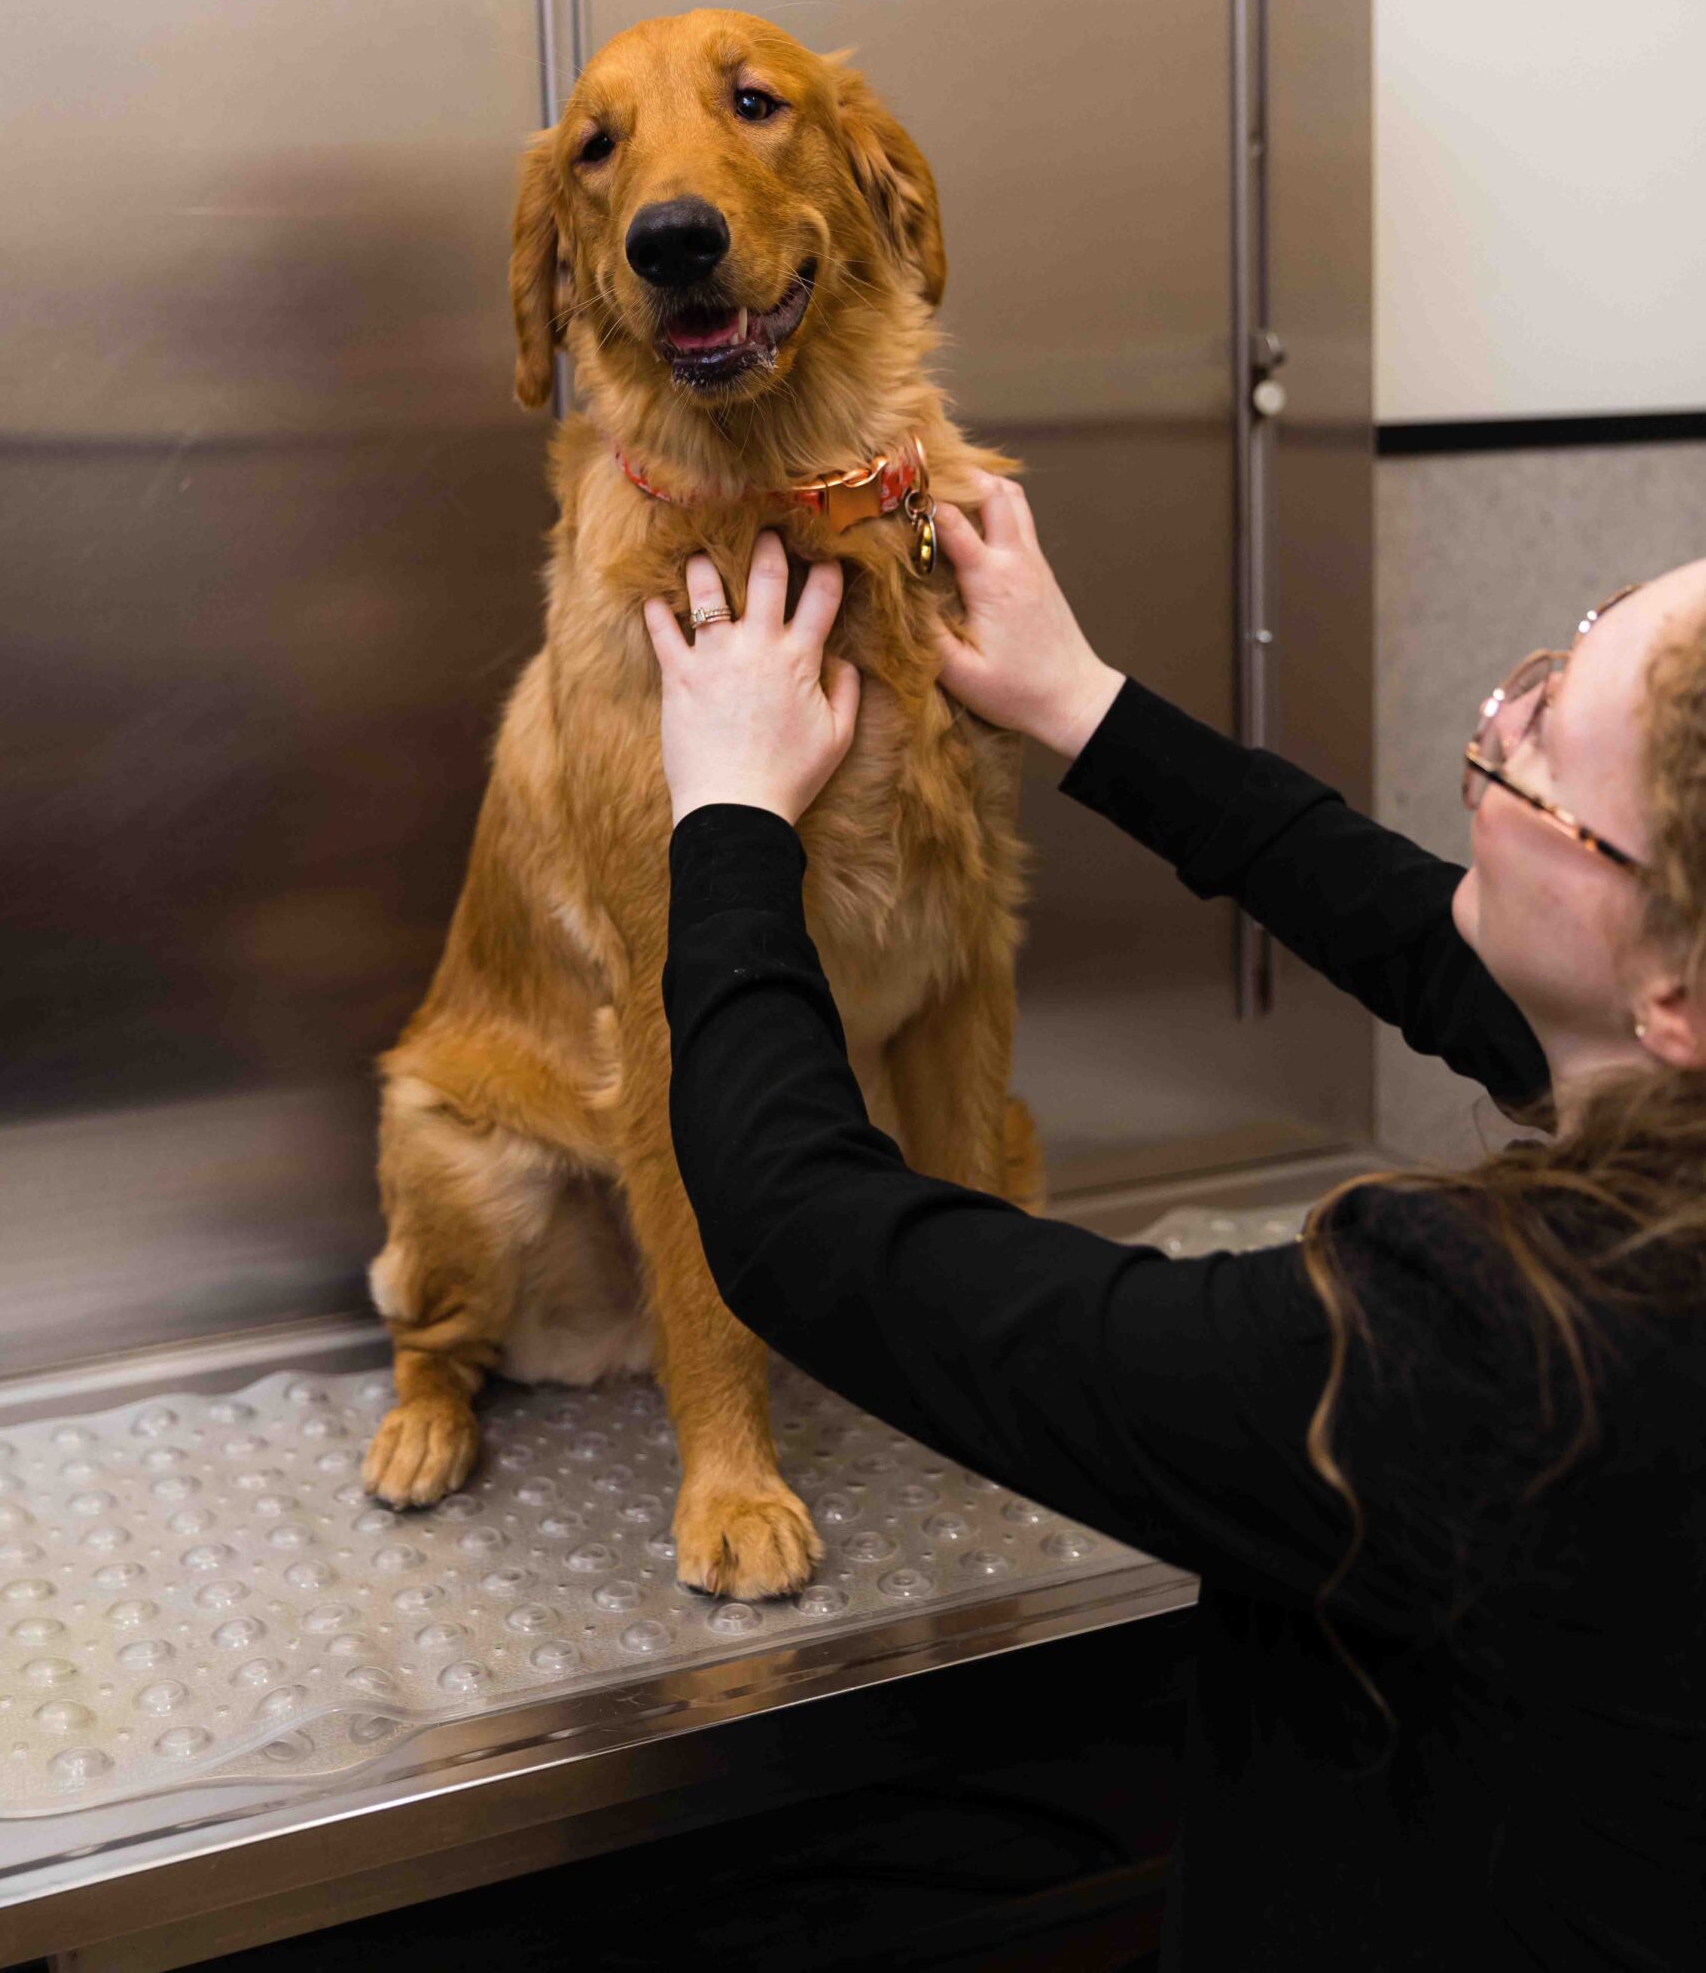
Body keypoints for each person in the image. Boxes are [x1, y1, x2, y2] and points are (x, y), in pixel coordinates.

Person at [641, 473, 1706, 1972]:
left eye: (1532, 761)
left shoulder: (1509, 1364)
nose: (1486, 753)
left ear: (1672, 999)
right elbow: (1432, 943)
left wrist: (730, 811)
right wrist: (1081, 703)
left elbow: (806, 1231)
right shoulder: (1669, 1096)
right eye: (1540, 670)